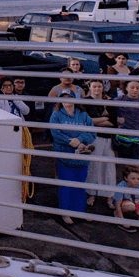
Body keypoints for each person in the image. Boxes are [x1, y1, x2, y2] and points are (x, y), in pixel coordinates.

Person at [49, 91, 96, 224]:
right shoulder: (56, 115)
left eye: (69, 98)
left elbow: (92, 132)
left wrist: (80, 140)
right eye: (63, 98)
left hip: (82, 156)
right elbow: (55, 132)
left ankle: (80, 210)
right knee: (66, 184)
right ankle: (65, 212)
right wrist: (71, 141)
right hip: (65, 154)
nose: (67, 100)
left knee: (80, 183)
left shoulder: (83, 115)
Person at [82, 80, 117, 209]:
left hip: (107, 138)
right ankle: (92, 194)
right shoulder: (85, 102)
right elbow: (85, 121)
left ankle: (109, 195)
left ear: (103, 88)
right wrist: (103, 119)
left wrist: (95, 122)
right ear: (90, 88)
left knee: (108, 166)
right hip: (92, 138)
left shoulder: (110, 103)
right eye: (94, 86)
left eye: (99, 86)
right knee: (93, 166)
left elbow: (113, 122)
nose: (97, 88)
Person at [113, 166, 139, 233]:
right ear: (126, 178)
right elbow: (117, 204)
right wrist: (122, 222)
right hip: (125, 203)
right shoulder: (121, 186)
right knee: (129, 207)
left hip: (137, 203)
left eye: (138, 179)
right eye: (133, 178)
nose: (136, 181)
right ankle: (117, 214)